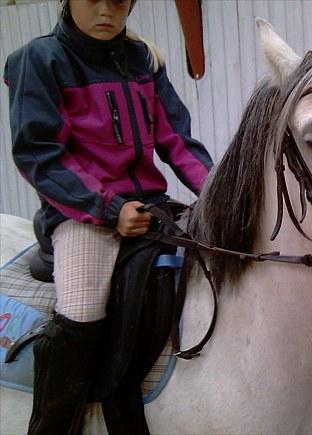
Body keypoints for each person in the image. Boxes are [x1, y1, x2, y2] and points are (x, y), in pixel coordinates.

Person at [4, 0, 213, 433]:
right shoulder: (39, 60)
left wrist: (217, 194)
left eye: (118, 0)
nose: (106, 11)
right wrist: (109, 210)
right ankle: (53, 425)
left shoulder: (143, 60)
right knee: (81, 312)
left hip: (149, 206)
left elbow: (176, 139)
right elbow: (39, 155)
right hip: (79, 213)